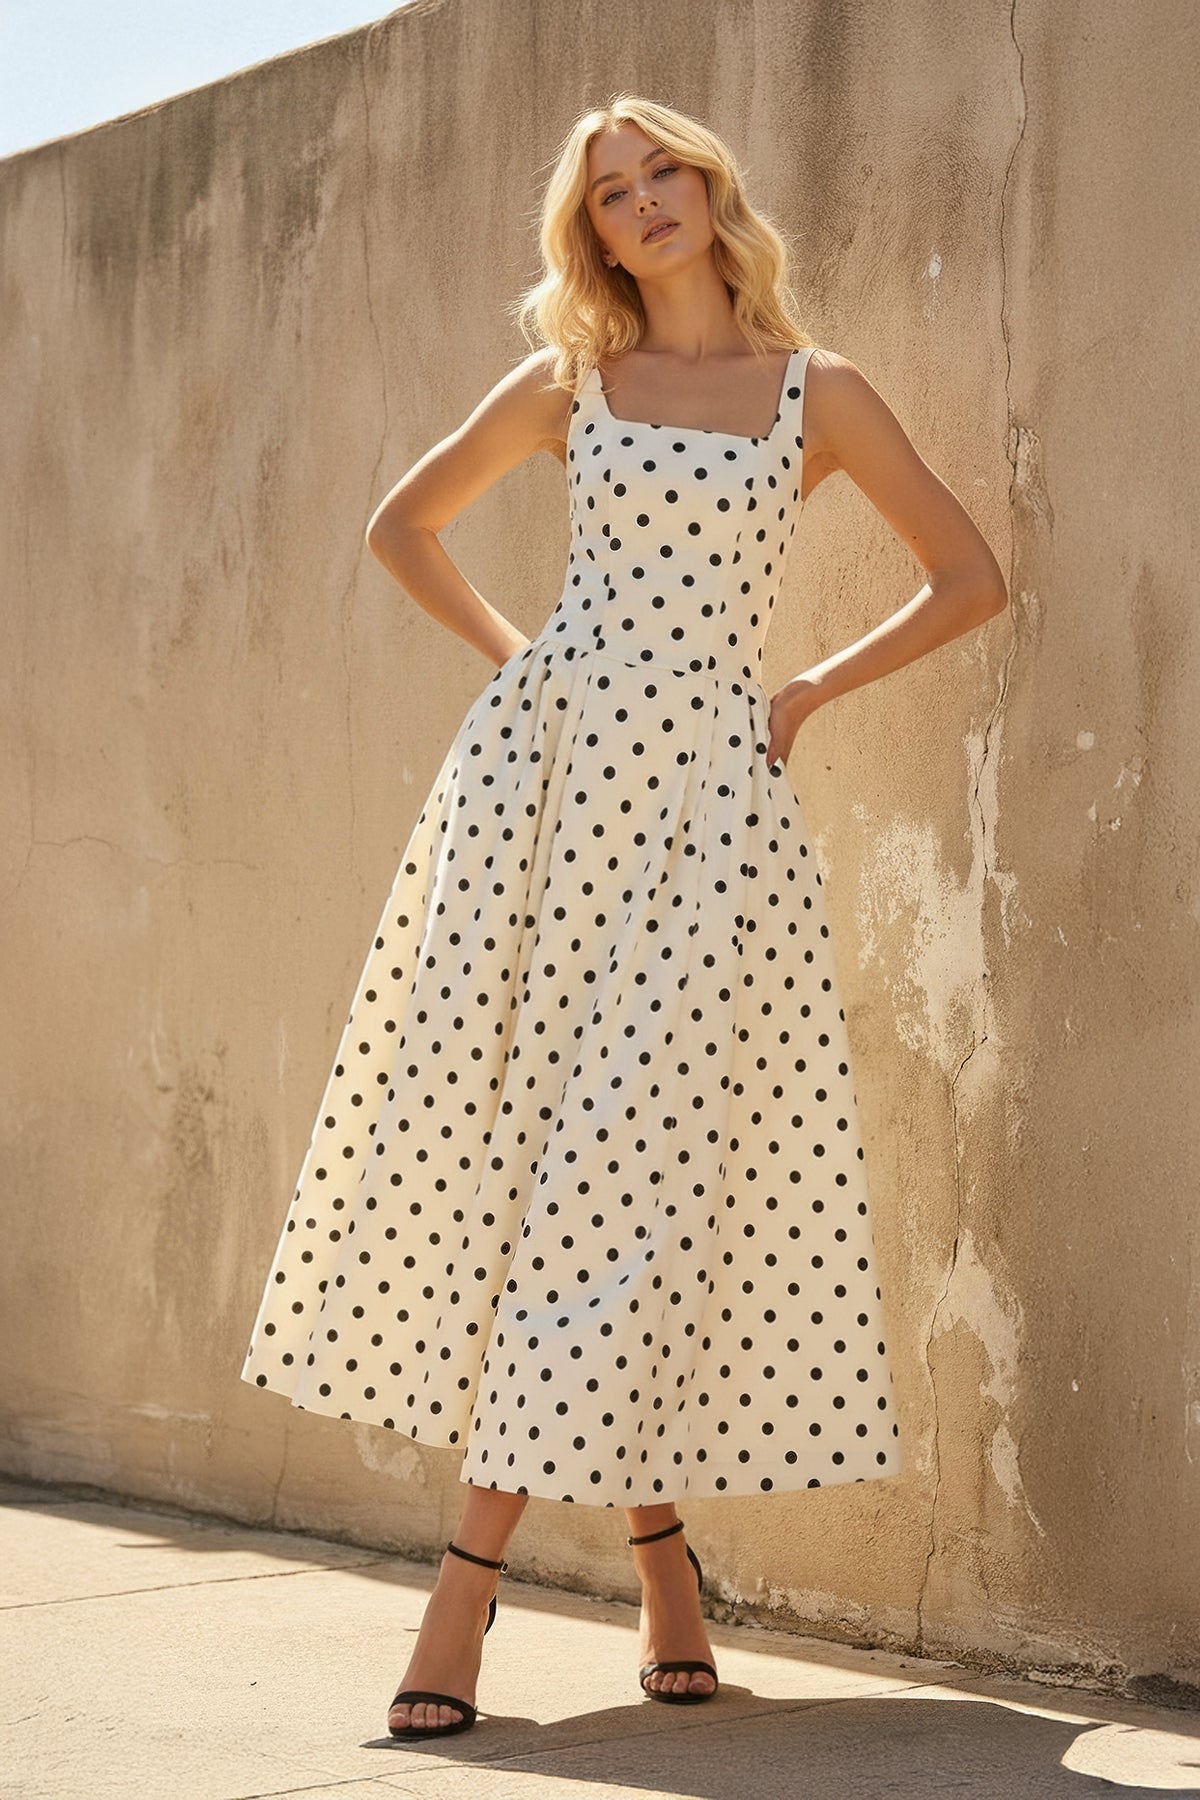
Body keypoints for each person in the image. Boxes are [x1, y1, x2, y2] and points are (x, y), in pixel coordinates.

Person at [239, 93, 1008, 1740]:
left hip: (711, 826)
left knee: (623, 1181)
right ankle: (661, 1566)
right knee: (543, 1174)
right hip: (539, 806)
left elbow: (969, 578)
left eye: (665, 172)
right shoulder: (571, 380)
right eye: (611, 191)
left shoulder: (818, 393)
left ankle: (467, 1595)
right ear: (587, 230)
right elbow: (401, 528)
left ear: (714, 190)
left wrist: (803, 689)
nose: (644, 201)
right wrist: (532, 666)